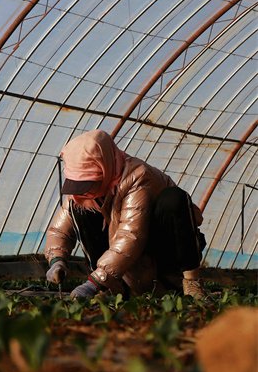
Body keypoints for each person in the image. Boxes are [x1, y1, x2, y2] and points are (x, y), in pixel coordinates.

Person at [44, 129, 207, 300]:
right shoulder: (82, 192)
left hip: (156, 249)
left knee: (172, 199)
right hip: (123, 255)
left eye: (87, 183)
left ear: (104, 168)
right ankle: (112, 287)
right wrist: (57, 261)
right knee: (79, 207)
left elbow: (131, 236)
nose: (83, 191)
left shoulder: (138, 176)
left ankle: (189, 283)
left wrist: (94, 282)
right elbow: (60, 231)